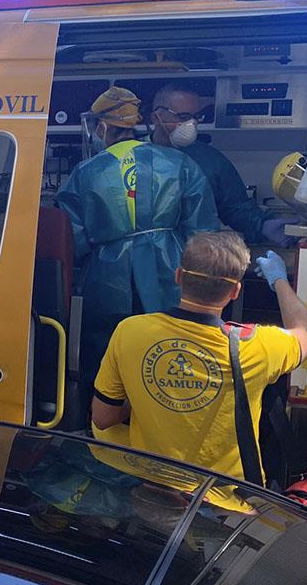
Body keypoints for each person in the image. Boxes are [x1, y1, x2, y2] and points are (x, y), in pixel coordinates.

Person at [91, 230, 307, 483]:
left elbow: (102, 418)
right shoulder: (257, 346)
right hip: (225, 501)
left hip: (152, 489)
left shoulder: (130, 331)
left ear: (178, 276)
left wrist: (144, 400)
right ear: (235, 291)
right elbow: (306, 335)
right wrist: (279, 281)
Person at [55, 86, 220, 394]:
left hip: (107, 284)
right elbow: (202, 236)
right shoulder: (180, 164)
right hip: (170, 279)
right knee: (167, 362)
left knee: (109, 364)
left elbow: (72, 241)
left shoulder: (86, 172)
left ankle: (106, 418)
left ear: (101, 126)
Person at [149, 84, 296, 247]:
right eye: (183, 116)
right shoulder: (135, 156)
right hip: (140, 253)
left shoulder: (210, 160)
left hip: (196, 254)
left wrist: (263, 225)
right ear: (157, 117)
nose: (191, 124)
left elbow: (236, 207)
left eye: (196, 117)